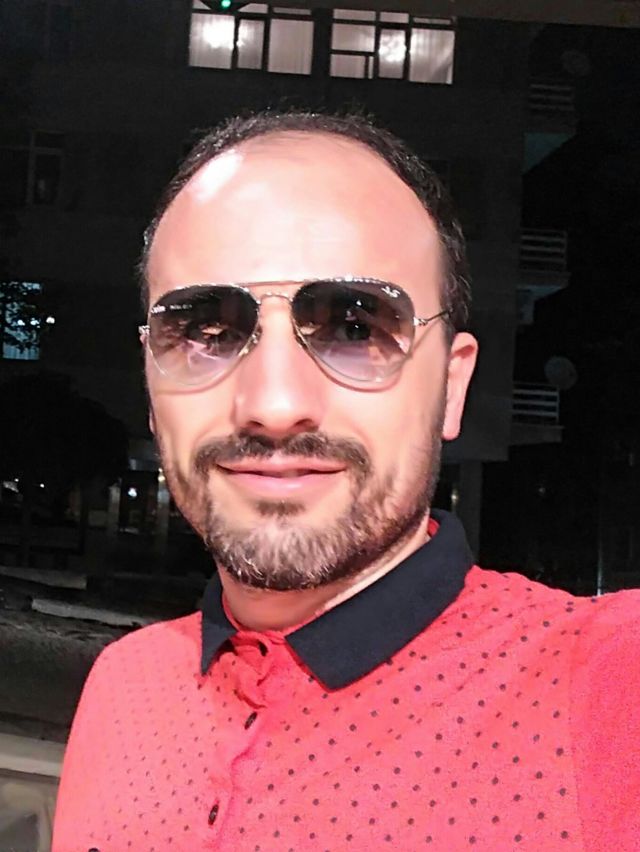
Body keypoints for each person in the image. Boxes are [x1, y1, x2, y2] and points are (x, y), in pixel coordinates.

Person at [53, 112, 640, 852]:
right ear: (151, 383)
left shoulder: (604, 683)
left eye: (356, 329)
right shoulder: (122, 683)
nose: (273, 405)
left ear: (452, 386)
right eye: (206, 331)